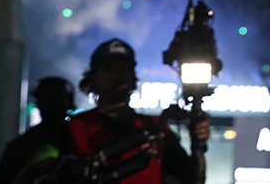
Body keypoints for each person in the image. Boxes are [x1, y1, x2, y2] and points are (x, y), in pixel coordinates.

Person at [53, 38, 209, 184]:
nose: (118, 75)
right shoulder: (74, 127)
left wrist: (198, 144)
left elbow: (191, 179)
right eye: (109, 69)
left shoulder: (156, 128)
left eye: (124, 68)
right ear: (93, 78)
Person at [0, 76, 76, 184]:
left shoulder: (82, 138)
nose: (53, 102)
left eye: (58, 96)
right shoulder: (19, 147)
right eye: (49, 96)